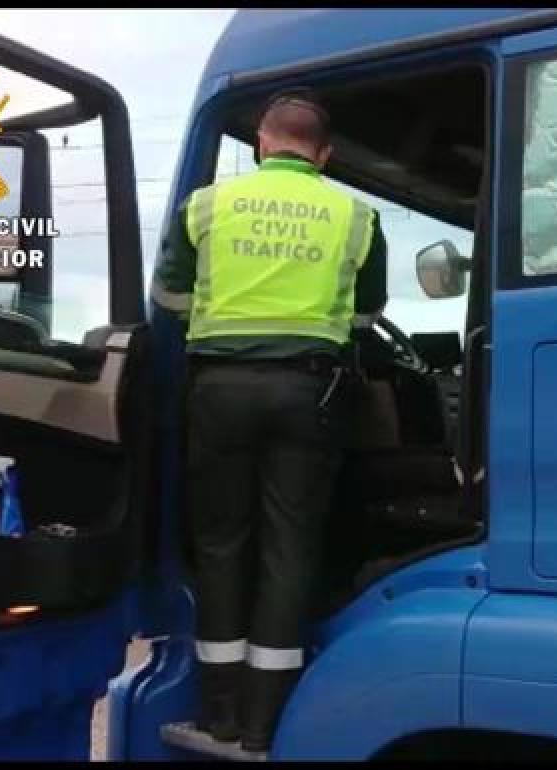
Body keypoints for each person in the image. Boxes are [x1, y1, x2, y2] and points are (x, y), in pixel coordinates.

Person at [150, 88, 387, 752]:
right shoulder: (356, 215)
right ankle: (263, 723)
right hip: (308, 392)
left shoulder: (207, 206)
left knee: (221, 544)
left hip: (219, 390)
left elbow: (168, 294)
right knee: (291, 547)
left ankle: (219, 712)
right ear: (324, 155)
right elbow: (367, 314)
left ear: (261, 143)